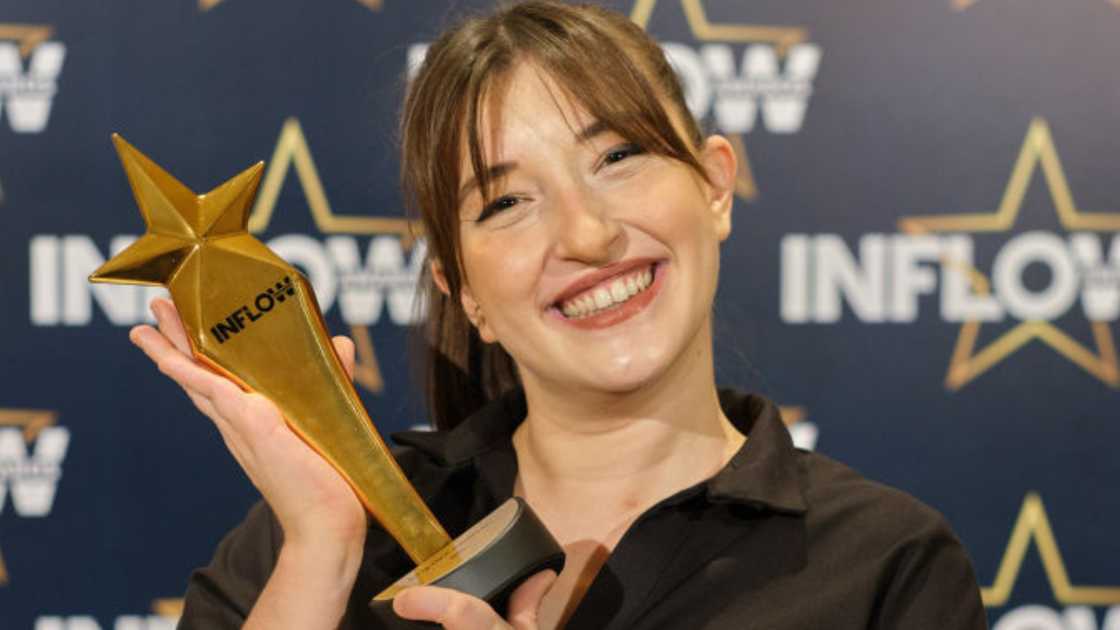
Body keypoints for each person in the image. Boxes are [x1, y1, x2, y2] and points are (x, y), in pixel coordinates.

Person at [129, 2, 988, 629]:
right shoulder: (311, 538)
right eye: (506, 203)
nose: (587, 233)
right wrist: (321, 549)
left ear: (717, 183)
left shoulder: (883, 563)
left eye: (618, 156)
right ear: (462, 288)